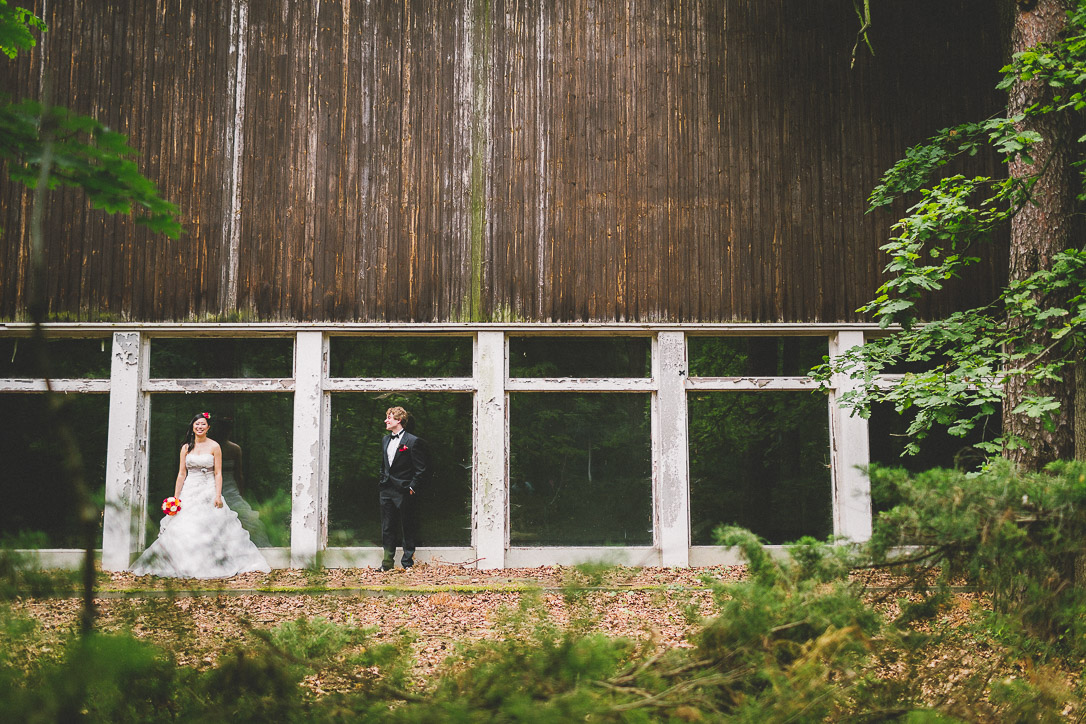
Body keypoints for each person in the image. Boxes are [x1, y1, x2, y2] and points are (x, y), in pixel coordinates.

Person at [131, 412, 270, 578]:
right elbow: (181, 474)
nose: (200, 427)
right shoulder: (185, 448)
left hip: (209, 489)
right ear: (192, 426)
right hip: (190, 488)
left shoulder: (214, 446)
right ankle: (185, 564)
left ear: (208, 427)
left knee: (211, 525)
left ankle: (213, 563)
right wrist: (175, 498)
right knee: (184, 525)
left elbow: (218, 473)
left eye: (203, 424)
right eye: (197, 424)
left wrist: (218, 495)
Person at [378, 406, 429, 571]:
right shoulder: (385, 440)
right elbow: (383, 464)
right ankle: (387, 564)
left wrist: (412, 487)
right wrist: (382, 480)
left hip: (404, 490)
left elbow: (421, 469)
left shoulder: (412, 441)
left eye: (389, 417)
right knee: (387, 527)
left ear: (399, 420)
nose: (386, 420)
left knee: (407, 526)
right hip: (386, 489)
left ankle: (407, 563)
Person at [214, 417, 271, 547]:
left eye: (226, 430)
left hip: (230, 489)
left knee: (249, 520)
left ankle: (261, 548)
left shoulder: (235, 449)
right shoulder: (210, 448)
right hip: (213, 488)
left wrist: (240, 493)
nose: (224, 433)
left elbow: (238, 474)